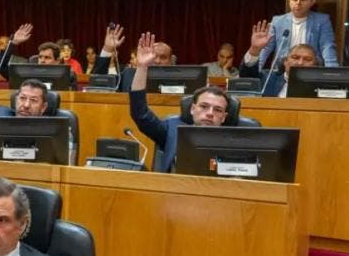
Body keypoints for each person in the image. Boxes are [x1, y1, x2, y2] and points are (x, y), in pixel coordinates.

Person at [129, 33, 231, 172]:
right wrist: (142, 68)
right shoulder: (172, 130)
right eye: (204, 106)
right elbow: (140, 113)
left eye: (218, 110)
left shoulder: (233, 140)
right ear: (192, 109)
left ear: (224, 117)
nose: (210, 113)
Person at [258, 0, 338, 68]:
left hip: (310, 69)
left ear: (312, 2)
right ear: (290, 0)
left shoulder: (322, 20)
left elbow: (327, 46)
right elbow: (267, 48)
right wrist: (256, 68)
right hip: (283, 69)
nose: (298, 3)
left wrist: (332, 71)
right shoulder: (277, 21)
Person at [239, 20, 318, 97]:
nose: (300, 63)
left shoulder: (320, 85)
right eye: (295, 57)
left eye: (307, 59)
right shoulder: (268, 79)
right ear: (285, 62)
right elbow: (247, 78)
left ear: (314, 65)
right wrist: (254, 49)